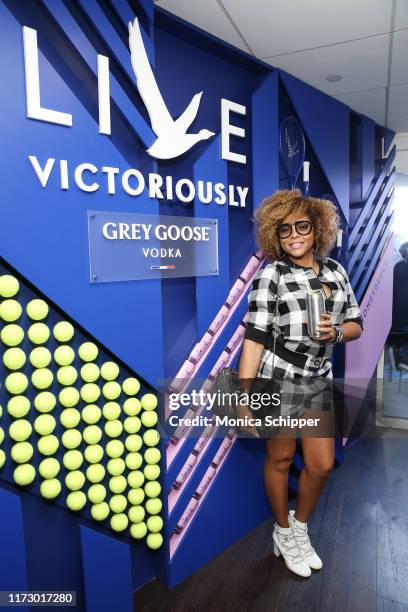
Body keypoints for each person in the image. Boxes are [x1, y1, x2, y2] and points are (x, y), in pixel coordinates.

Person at [238, 189, 363, 578]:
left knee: (321, 465)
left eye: (303, 226)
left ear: (318, 228)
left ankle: (301, 527)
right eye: (285, 229)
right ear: (275, 234)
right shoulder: (271, 274)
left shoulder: (336, 273)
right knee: (279, 458)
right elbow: (254, 339)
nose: (294, 235)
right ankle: (283, 529)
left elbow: (357, 324)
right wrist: (243, 399)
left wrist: (335, 335)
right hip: (278, 381)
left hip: (318, 382)